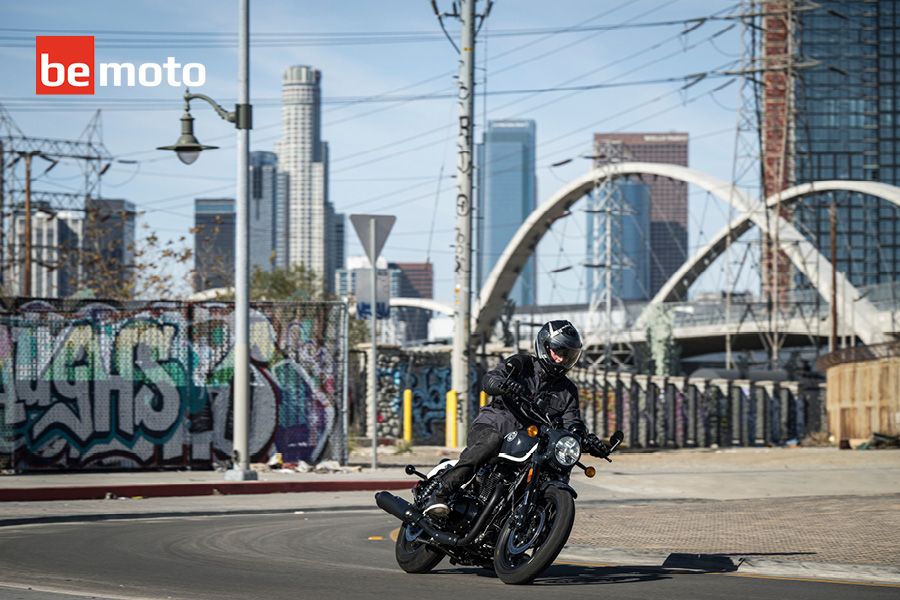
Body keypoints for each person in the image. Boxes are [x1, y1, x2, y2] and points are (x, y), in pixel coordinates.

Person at [424, 319, 609, 517]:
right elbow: (491, 378)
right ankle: (441, 492)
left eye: (568, 355)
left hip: (529, 441)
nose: (561, 360)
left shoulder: (568, 390)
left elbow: (572, 421)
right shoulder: (522, 364)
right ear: (544, 347)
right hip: (496, 425)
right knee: (490, 442)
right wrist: (504, 384)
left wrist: (585, 438)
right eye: (559, 352)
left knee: (555, 466)